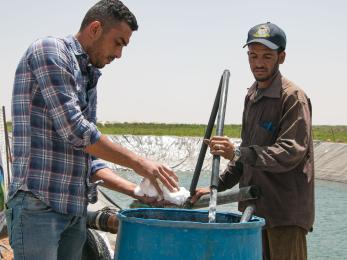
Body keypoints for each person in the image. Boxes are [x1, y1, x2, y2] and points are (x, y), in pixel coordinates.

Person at [6, 1, 178, 259]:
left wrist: (137, 191)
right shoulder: (50, 51)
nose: (119, 54)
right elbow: (75, 130)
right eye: (118, 42)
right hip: (38, 207)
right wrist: (140, 163)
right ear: (95, 28)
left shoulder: (88, 74)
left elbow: (89, 158)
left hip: (73, 211)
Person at [192, 22, 314, 260]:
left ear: (282, 57)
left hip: (284, 215)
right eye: (253, 55)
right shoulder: (252, 95)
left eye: (267, 56)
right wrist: (216, 186)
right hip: (254, 212)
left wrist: (237, 152)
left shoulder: (292, 97)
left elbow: (290, 153)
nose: (258, 63)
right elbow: (245, 155)